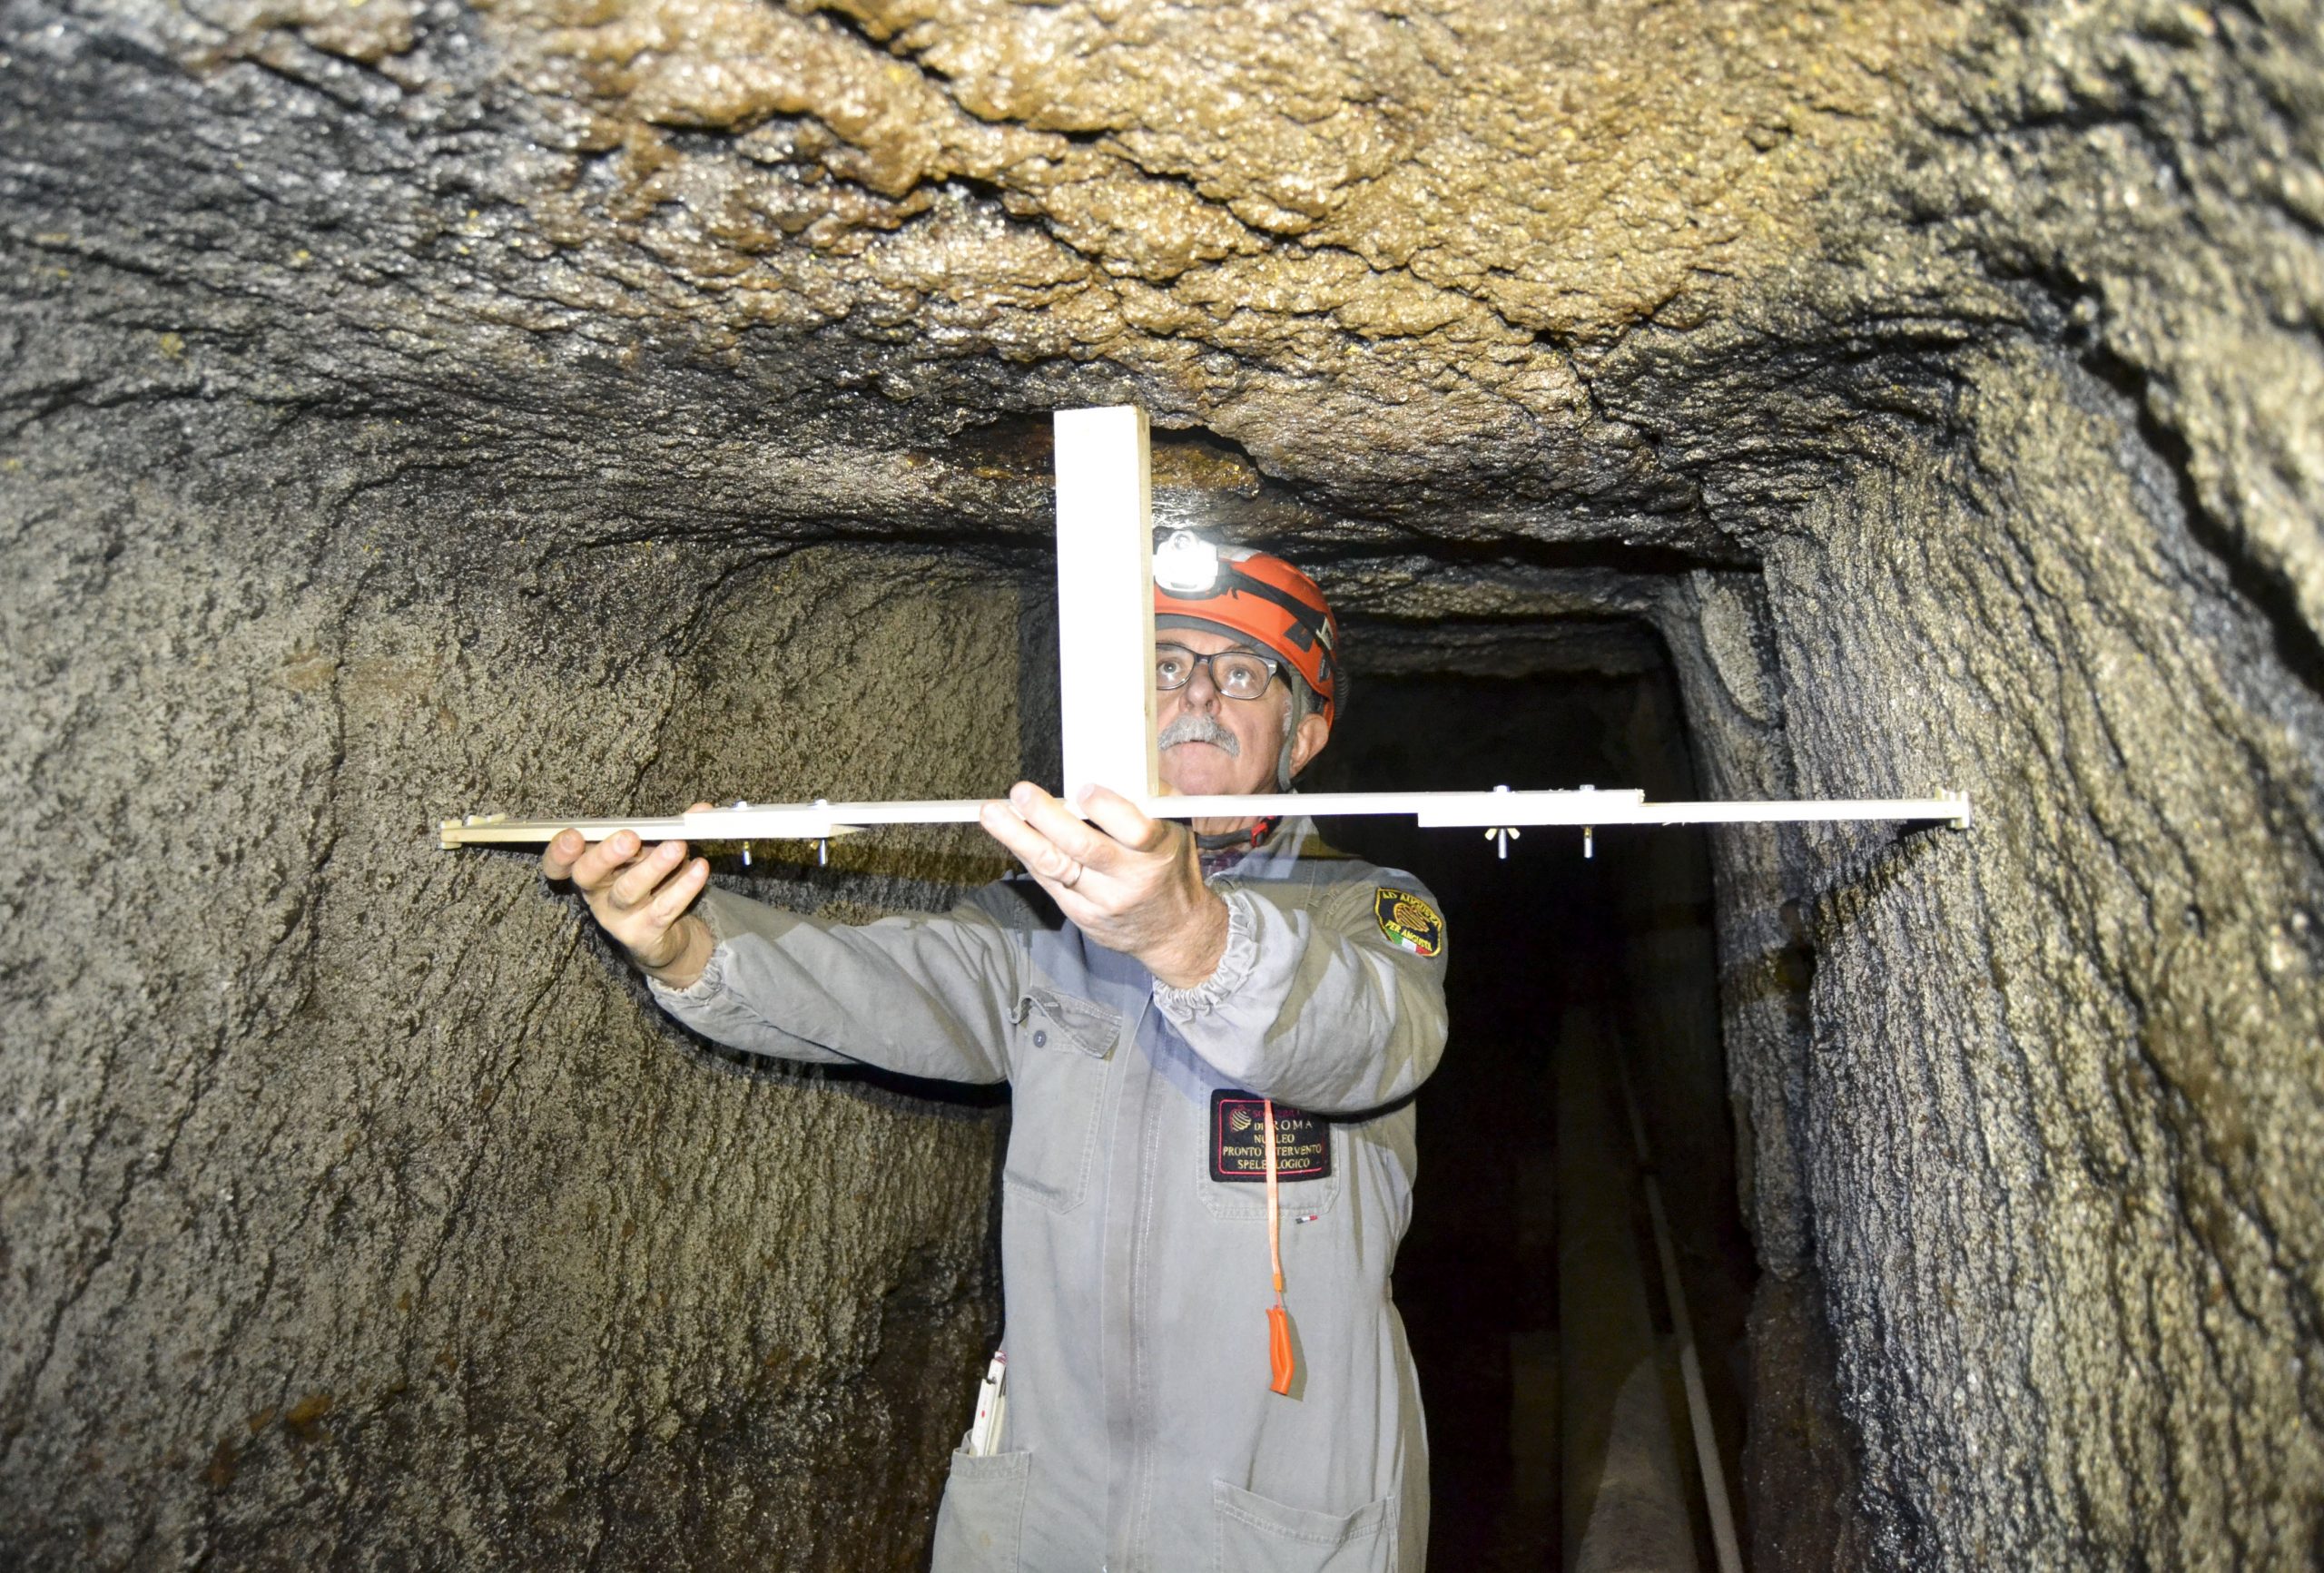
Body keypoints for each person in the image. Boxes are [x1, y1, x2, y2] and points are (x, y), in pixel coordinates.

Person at [542, 532, 1449, 1572]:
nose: (1196, 693)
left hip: (1283, 1503)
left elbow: (1371, 1041)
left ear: (1304, 728)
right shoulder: (1039, 931)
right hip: (1050, 1504)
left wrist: (1185, 934)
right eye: (1163, 664)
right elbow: (882, 980)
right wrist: (688, 940)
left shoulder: (1371, 911)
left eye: (1242, 672)